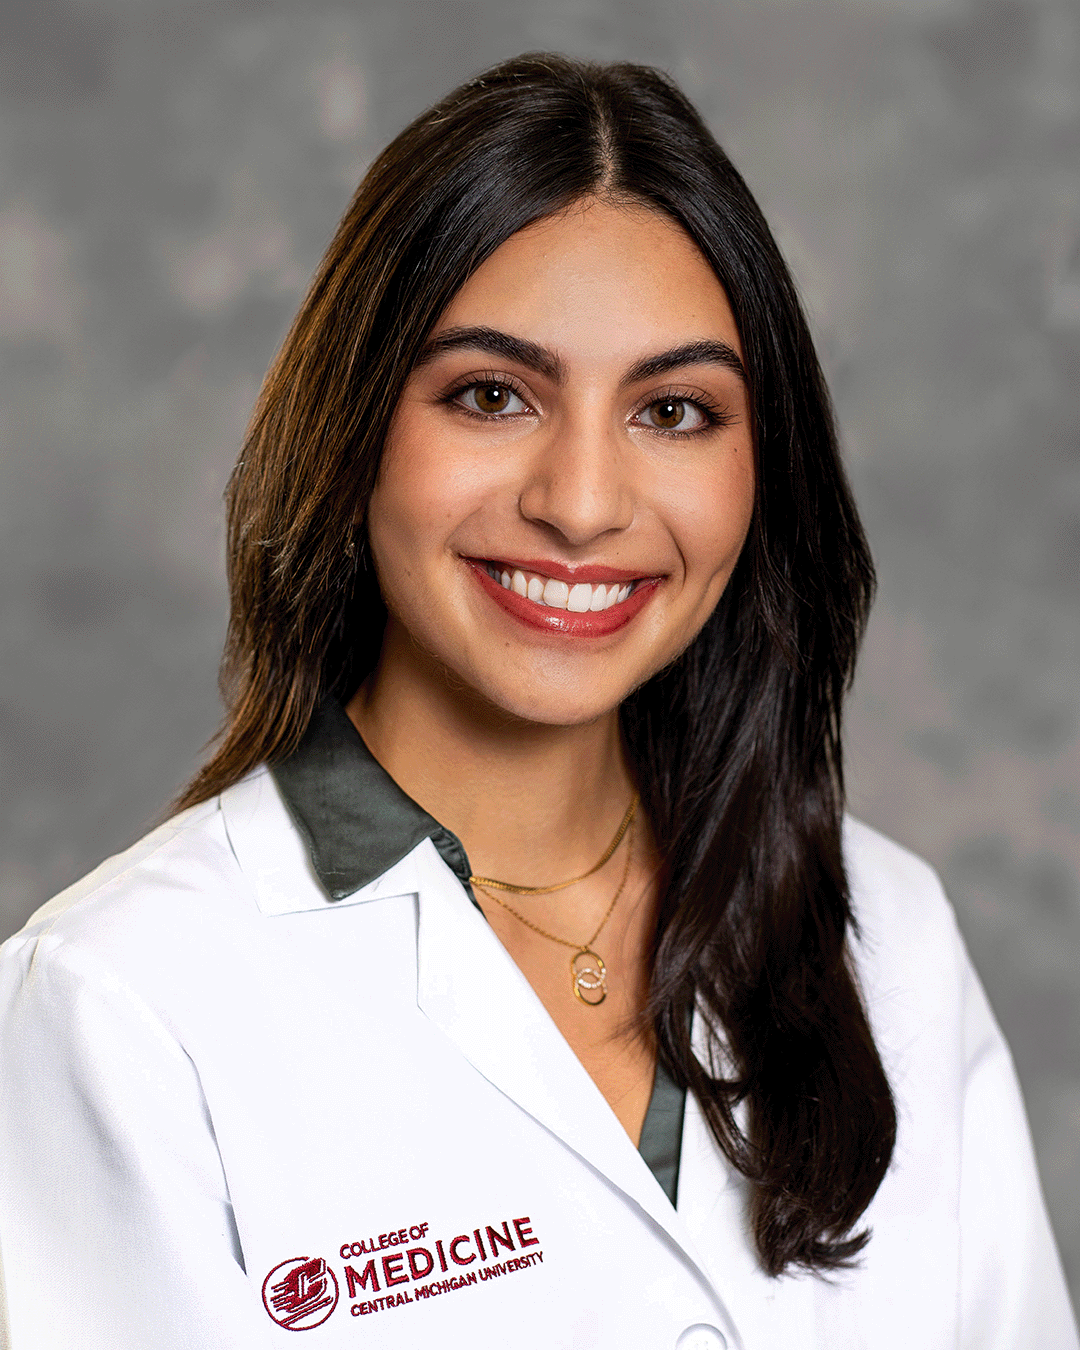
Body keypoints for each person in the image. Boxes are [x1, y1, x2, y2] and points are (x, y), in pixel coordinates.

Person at [0, 53, 1075, 1350]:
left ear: (761, 468)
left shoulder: (889, 931)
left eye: (674, 410)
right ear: (353, 437)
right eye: (492, 395)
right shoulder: (120, 1007)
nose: (580, 502)